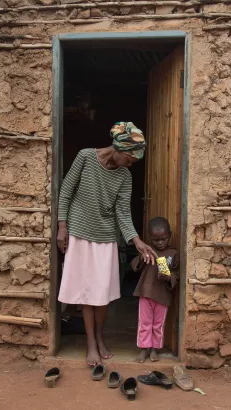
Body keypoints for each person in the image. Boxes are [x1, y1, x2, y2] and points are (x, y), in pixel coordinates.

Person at [57, 122, 157, 367]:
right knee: (86, 292)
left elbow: (122, 213)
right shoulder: (85, 157)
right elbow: (66, 192)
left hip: (106, 237)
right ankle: (91, 343)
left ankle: (100, 337)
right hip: (79, 233)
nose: (131, 164)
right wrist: (62, 227)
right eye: (131, 158)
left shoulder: (125, 176)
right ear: (119, 149)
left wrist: (137, 240)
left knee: (101, 293)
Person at [131, 217, 179, 363]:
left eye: (163, 239)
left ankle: (154, 349)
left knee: (158, 324)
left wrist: (168, 276)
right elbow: (135, 266)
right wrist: (142, 257)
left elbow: (177, 274)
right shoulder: (148, 251)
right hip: (146, 292)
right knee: (144, 323)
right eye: (156, 240)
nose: (160, 242)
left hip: (163, 296)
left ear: (169, 235)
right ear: (150, 238)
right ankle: (144, 348)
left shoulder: (173, 254)